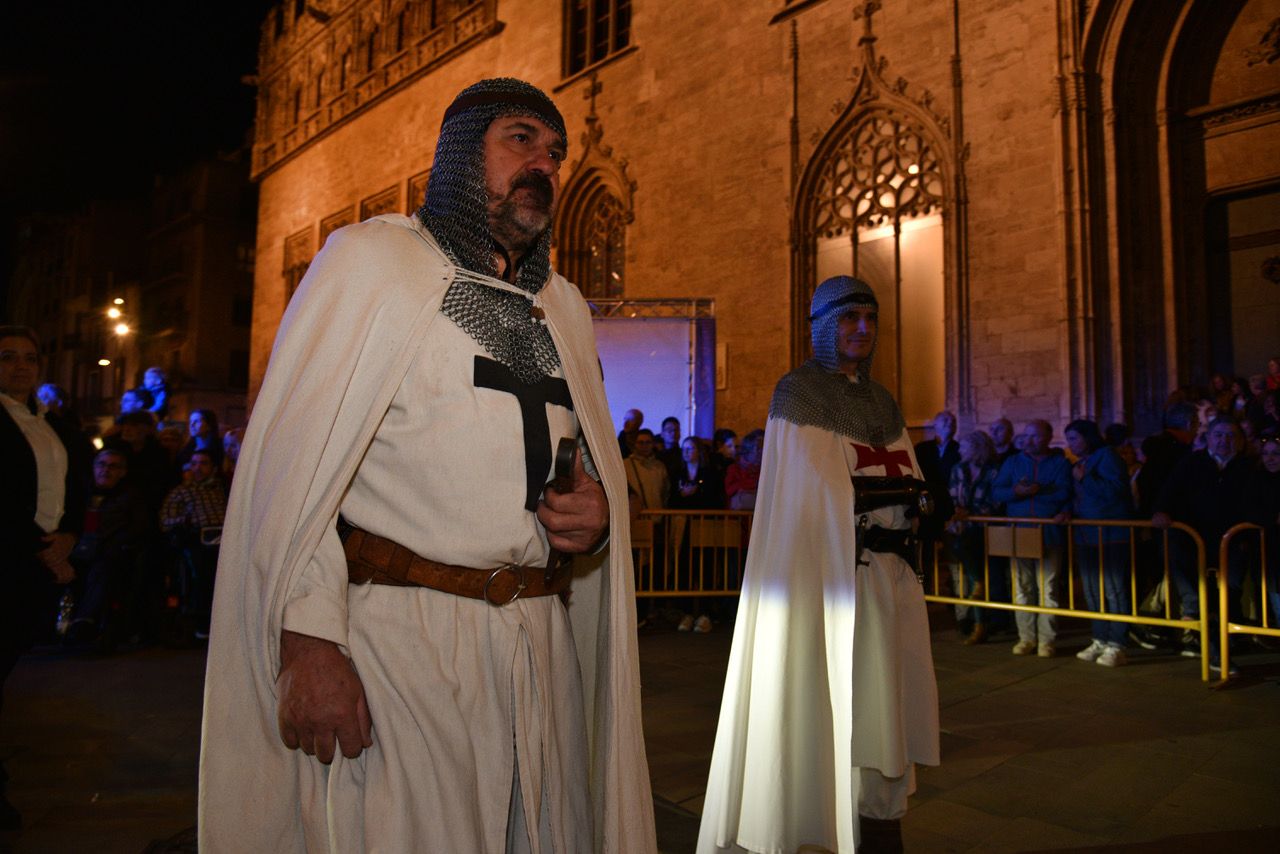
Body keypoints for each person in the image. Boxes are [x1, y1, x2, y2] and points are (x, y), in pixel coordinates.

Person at [198, 78, 654, 852]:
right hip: (406, 643)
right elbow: (296, 478)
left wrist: (601, 516)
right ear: (458, 153)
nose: (542, 163)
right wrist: (309, 643)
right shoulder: (372, 265)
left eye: (555, 153)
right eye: (520, 140)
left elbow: (587, 467)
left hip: (540, 644)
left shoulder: (564, 306)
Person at [698, 276, 939, 854]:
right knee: (823, 702)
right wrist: (876, 504)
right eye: (850, 318)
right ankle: (811, 828)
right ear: (824, 326)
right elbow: (810, 499)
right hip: (826, 585)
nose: (862, 329)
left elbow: (907, 483)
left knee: (881, 704)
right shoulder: (798, 396)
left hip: (887, 584)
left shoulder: (883, 404)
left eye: (870, 320)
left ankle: (877, 823)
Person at [0, 325, 89, 830]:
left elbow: (75, 486)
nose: (20, 366)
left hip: (36, 563)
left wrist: (70, 536)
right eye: (8, 357)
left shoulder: (51, 423)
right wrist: (47, 551)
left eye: (29, 358)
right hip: (12, 559)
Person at [993, 420, 1072, 657]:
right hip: (1020, 532)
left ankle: (1047, 640)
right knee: (1022, 587)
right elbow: (997, 490)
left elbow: (1065, 492)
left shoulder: (1060, 464)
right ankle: (1026, 637)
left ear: (1048, 438)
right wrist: (1016, 493)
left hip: (1048, 533)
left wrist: (1042, 495)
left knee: (1048, 588)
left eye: (1035, 436)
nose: (1029, 440)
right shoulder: (1013, 462)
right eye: (1026, 435)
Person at [1064, 419, 1134, 668]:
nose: (1070, 444)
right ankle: (1100, 638)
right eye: (1068, 439)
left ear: (1088, 437)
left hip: (1111, 533)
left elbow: (1117, 490)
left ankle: (1118, 643)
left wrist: (1086, 480)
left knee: (1114, 589)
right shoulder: (1079, 463)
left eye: (1073, 438)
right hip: (1087, 535)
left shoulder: (1107, 456)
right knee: (1092, 590)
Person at [947, 430, 1007, 645]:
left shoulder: (994, 470)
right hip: (964, 527)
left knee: (989, 575)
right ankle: (978, 624)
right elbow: (953, 495)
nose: (960, 450)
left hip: (987, 529)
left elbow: (996, 501)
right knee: (975, 578)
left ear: (976, 447)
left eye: (964, 446)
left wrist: (971, 512)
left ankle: (986, 622)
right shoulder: (958, 470)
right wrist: (959, 511)